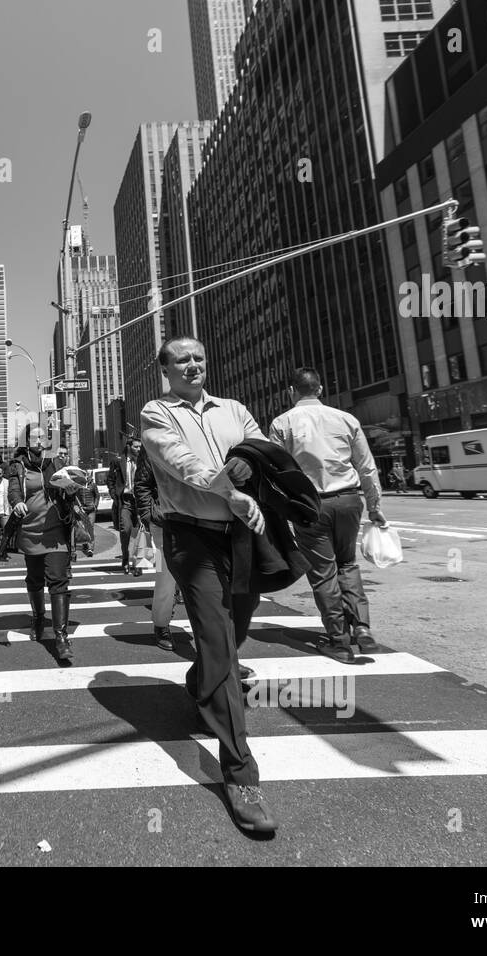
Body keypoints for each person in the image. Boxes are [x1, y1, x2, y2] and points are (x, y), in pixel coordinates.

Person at [141, 336, 277, 834]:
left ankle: (200, 682)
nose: (193, 364)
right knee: (220, 643)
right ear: (166, 370)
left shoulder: (235, 409)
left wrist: (248, 465)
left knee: (236, 627)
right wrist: (228, 486)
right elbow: (181, 462)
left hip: (241, 538)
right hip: (190, 538)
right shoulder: (156, 412)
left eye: (199, 356)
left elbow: (264, 449)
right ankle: (241, 775)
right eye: (182, 360)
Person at [270, 367, 386, 663]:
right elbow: (367, 467)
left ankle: (338, 639)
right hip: (349, 500)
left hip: (310, 504)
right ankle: (362, 628)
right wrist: (374, 507)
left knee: (323, 573)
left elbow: (276, 472)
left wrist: (280, 510)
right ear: (320, 390)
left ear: (291, 392)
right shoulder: (346, 419)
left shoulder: (282, 423)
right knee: (348, 563)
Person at [8, 427, 81, 661]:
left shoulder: (55, 462)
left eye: (43, 437)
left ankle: (61, 637)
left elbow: (68, 492)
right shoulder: (18, 464)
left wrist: (70, 491)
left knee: (59, 580)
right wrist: (17, 502)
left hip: (55, 532)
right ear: (26, 442)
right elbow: (14, 490)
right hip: (30, 532)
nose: (40, 440)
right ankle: (38, 617)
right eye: (35, 437)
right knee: (35, 579)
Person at [133, 443, 180, 651]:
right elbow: (142, 483)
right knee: (167, 574)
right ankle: (161, 624)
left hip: (203, 513)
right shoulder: (154, 439)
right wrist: (151, 514)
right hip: (166, 518)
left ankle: (219, 639)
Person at [105, 439, 143, 575]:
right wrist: (114, 495)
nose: (139, 449)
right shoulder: (118, 461)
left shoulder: (143, 461)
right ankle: (125, 557)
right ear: (128, 446)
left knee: (140, 533)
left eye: (140, 447)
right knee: (125, 530)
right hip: (125, 502)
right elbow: (110, 480)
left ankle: (138, 564)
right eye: (136, 447)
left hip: (140, 502)